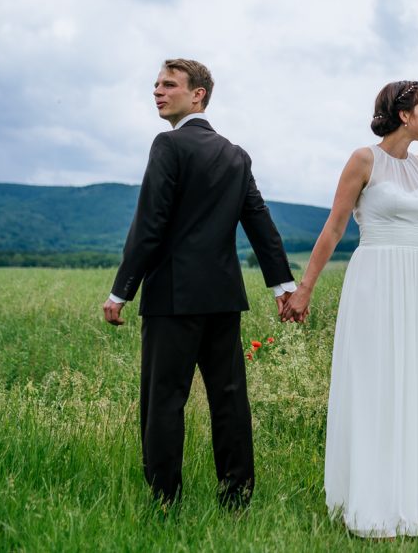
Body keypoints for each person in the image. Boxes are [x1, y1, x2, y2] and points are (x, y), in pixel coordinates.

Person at [102, 58, 295, 510]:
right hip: (224, 297)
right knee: (228, 400)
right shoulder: (235, 155)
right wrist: (281, 285)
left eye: (169, 85)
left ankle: (163, 499)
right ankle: (236, 498)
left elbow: (150, 225)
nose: (157, 91)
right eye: (155, 85)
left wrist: (120, 291)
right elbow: (260, 224)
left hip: (172, 298)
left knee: (164, 401)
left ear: (198, 95)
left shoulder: (168, 146)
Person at [282, 80, 418, 537]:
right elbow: (334, 228)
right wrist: (305, 289)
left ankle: (407, 499)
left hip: (411, 284)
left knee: (408, 386)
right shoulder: (363, 160)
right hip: (373, 283)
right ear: (403, 115)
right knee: (374, 386)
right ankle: (368, 502)